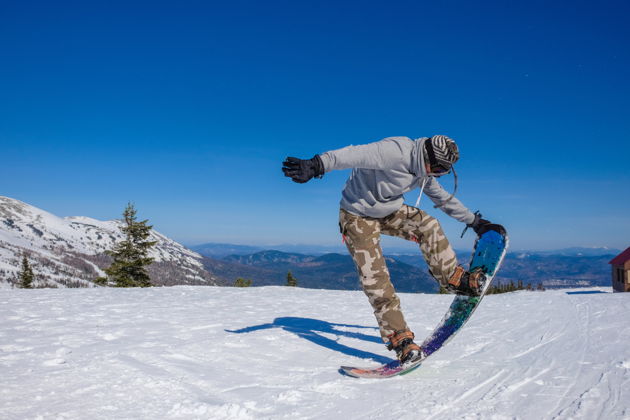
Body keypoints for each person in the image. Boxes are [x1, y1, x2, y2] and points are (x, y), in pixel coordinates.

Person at [282, 135, 498, 365]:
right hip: (357, 215)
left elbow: (442, 198)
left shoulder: (423, 172)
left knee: (428, 225)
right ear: (427, 156)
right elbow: (351, 155)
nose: (437, 174)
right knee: (375, 278)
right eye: (437, 168)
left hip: (389, 211)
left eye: (443, 171)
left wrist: (474, 221)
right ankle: (401, 340)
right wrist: (316, 165)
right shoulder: (394, 152)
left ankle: (455, 279)